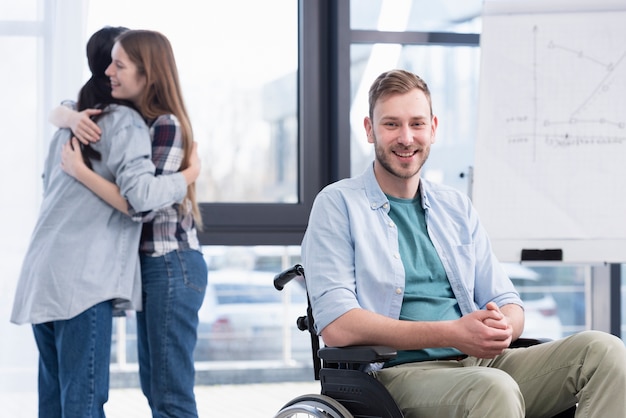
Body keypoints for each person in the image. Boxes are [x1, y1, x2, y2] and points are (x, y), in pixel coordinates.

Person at [301, 69, 626, 417]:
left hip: (483, 365)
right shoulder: (338, 204)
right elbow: (338, 325)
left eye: (417, 124)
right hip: (395, 377)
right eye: (391, 124)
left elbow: (507, 302)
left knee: (606, 352)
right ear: (370, 130)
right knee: (493, 389)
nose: (406, 137)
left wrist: (502, 328)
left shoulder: (454, 206)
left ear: (434, 128)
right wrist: (450, 333)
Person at [10, 26, 199, 418]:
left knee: (60, 401)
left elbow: (130, 200)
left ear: (145, 73)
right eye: (111, 61)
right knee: (86, 401)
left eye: (122, 62)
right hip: (83, 279)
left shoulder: (72, 125)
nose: (114, 70)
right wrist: (189, 176)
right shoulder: (121, 124)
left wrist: (68, 126)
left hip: (46, 273)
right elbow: (140, 200)